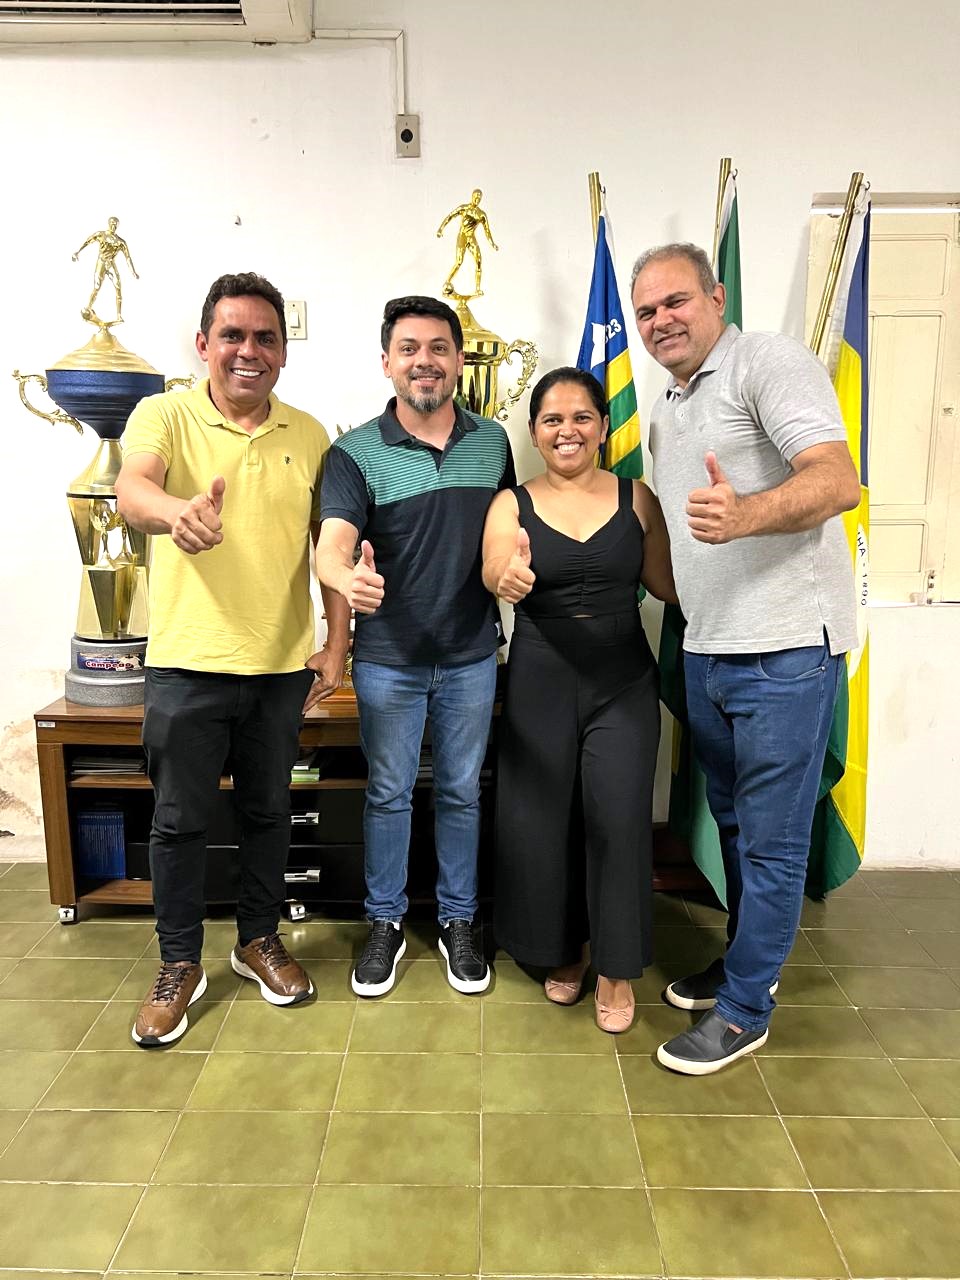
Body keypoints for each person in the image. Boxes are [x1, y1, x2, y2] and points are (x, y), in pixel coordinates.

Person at [630, 243, 861, 1074]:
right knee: (732, 823)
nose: (662, 320)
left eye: (676, 301)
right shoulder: (668, 408)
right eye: (647, 310)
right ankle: (742, 964)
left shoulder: (768, 362)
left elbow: (837, 481)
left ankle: (745, 1011)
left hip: (785, 649)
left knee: (771, 840)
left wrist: (747, 514)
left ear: (716, 297)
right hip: (709, 648)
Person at [116, 271, 350, 1046]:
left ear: (283, 350)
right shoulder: (165, 414)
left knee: (268, 813)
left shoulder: (309, 436)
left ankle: (257, 940)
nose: (249, 350)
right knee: (179, 823)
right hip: (187, 665)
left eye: (265, 338)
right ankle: (179, 964)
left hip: (280, 670)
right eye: (233, 335)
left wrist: (337, 641)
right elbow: (132, 490)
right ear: (204, 344)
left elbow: (330, 548)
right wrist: (176, 513)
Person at [315, 295, 515, 998]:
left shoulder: (493, 443)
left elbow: (504, 534)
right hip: (387, 662)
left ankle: (460, 921)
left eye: (437, 348)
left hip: (470, 657)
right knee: (389, 794)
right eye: (408, 348)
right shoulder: (353, 453)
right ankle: (386, 923)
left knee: (461, 792)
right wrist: (344, 577)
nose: (423, 361)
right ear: (387, 363)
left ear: (458, 361)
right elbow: (332, 544)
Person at [482, 367, 676, 1033]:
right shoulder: (511, 505)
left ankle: (617, 968)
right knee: (544, 821)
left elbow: (667, 585)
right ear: (535, 432)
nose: (567, 430)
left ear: (602, 426)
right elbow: (495, 567)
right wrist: (506, 576)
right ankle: (564, 949)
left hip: (622, 681)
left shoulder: (637, 498)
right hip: (540, 676)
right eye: (552, 419)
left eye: (581, 417)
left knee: (618, 819)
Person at [72, 216, 138, 325]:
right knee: (97, 287)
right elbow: (88, 241)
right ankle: (88, 307)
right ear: (109, 223)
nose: (113, 226)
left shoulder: (120, 242)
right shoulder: (101, 234)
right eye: (112, 223)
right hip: (101, 262)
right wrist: (78, 252)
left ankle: (119, 316)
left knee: (118, 287)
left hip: (111, 264)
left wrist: (133, 272)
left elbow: (128, 257)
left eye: (115, 224)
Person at [436, 189, 499, 299]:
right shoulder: (464, 208)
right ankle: (447, 281)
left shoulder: (481, 214)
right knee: (459, 262)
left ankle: (477, 288)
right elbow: (450, 216)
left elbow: (487, 230)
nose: (477, 199)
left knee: (478, 260)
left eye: (479, 198)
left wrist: (492, 243)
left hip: (471, 238)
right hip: (462, 236)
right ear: (472, 196)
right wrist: (441, 229)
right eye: (476, 197)